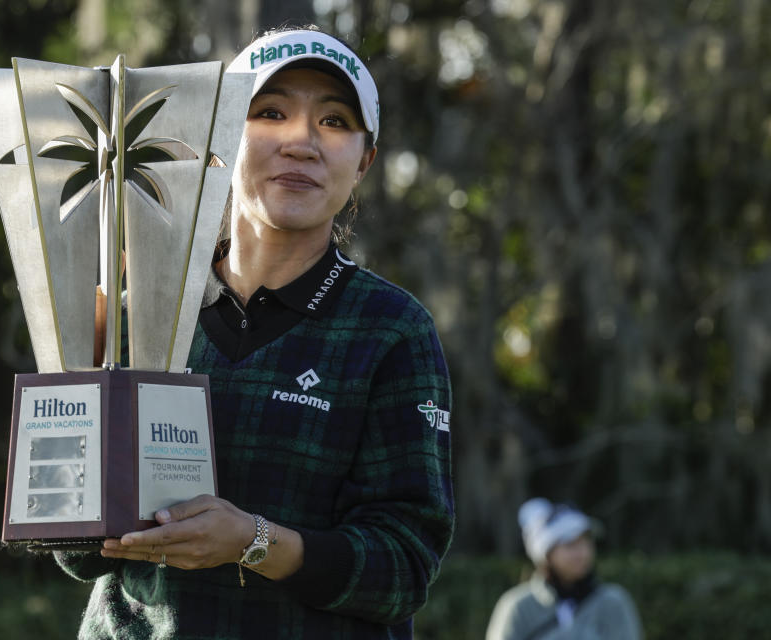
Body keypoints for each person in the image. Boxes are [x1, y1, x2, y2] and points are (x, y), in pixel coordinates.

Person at [54, 25, 454, 639]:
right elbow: (75, 551)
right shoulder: (136, 313)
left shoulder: (391, 331)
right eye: (270, 112)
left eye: (335, 122)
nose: (301, 141)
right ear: (219, 140)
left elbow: (401, 569)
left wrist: (252, 543)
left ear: (364, 161)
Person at [485, 498, 642, 640]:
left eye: (586, 542)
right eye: (570, 545)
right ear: (546, 555)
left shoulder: (613, 602)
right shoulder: (518, 606)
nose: (582, 553)